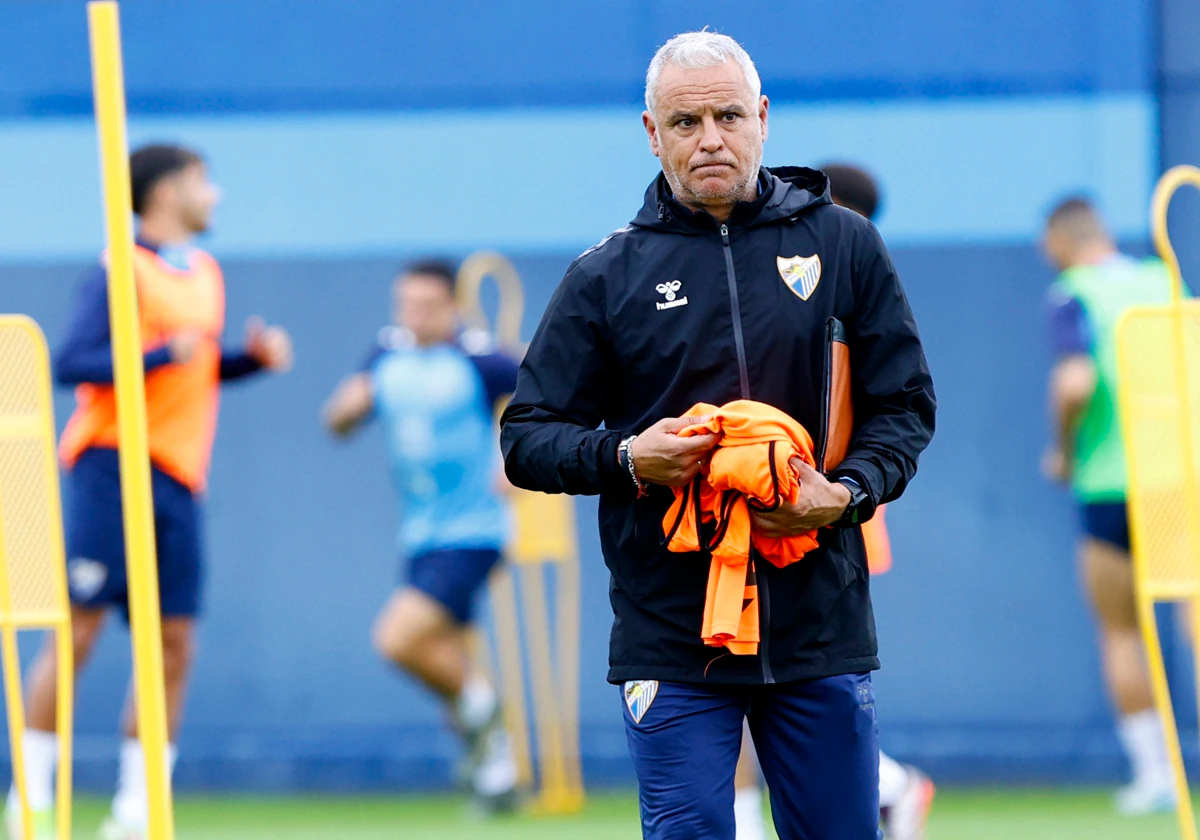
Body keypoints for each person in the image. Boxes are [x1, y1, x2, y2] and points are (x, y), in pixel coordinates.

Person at [501, 31, 936, 840]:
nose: (710, 139)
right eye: (685, 121)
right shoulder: (605, 275)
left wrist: (841, 498)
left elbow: (905, 408)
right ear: (650, 132)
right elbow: (528, 437)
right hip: (670, 630)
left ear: (763, 117)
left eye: (728, 116)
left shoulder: (843, 245)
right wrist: (632, 458)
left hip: (819, 621)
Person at [5, 143, 293, 840]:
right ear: (166, 192)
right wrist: (165, 354)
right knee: (78, 630)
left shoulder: (206, 272)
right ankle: (31, 799)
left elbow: (190, 375)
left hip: (180, 476)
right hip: (111, 465)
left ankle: (137, 811)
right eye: (203, 182)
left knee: (172, 643)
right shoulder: (120, 267)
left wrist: (245, 362)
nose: (215, 196)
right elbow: (75, 361)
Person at [731, 162, 936, 840]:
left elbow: (898, 408)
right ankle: (889, 787)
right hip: (775, 501)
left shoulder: (852, 275)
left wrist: (841, 492)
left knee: (782, 673)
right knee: (745, 667)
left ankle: (888, 784)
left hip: (829, 508)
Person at [321, 259, 520, 813]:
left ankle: (486, 718)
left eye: (428, 306)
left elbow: (547, 391)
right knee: (443, 652)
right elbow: (335, 421)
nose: (415, 316)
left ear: (452, 306)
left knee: (397, 638)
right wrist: (346, 408)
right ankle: (497, 778)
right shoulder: (386, 355)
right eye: (406, 305)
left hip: (474, 531)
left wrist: (515, 455)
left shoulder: (480, 358)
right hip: (421, 533)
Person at [1042, 196, 1181, 815]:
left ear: (1060, 239)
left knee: (1122, 630)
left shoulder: (1073, 292)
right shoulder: (1164, 280)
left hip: (1108, 483)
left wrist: (1064, 451)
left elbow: (1076, 383)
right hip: (1180, 476)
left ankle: (1156, 777)